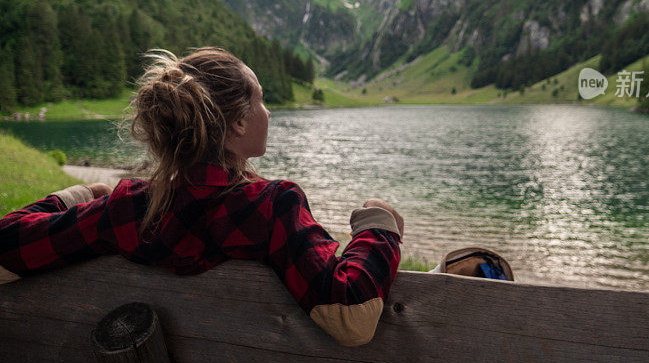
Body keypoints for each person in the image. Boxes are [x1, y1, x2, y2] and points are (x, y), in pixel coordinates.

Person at [0, 47, 404, 347]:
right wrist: (378, 225)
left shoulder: (127, 208)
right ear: (239, 121)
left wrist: (82, 195)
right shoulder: (272, 205)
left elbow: (7, 242)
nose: (268, 113)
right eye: (260, 100)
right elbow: (351, 314)